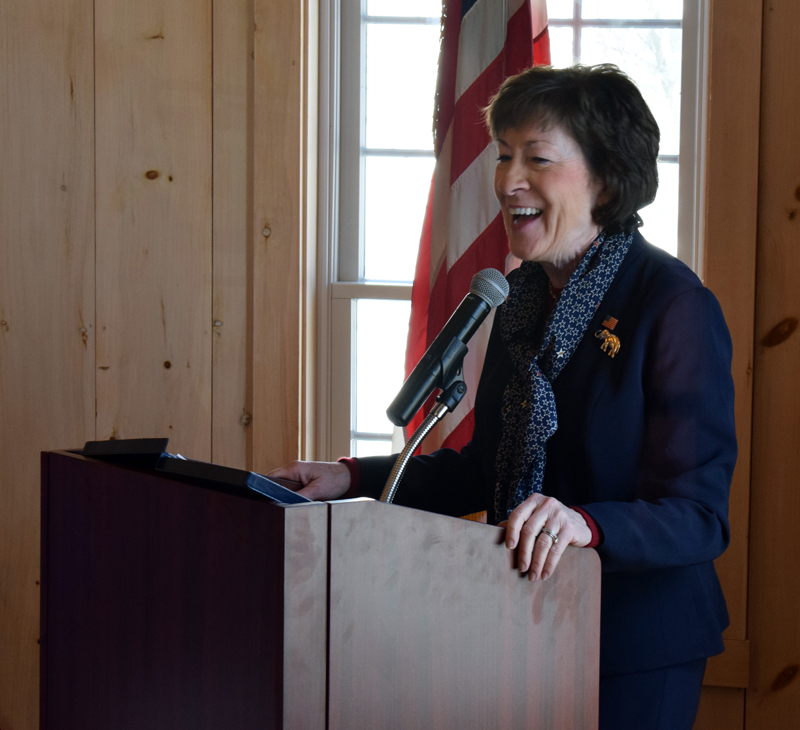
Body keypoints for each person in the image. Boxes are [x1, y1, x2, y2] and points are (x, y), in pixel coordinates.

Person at [270, 64, 736, 729]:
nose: (507, 179)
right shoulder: (516, 301)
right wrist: (346, 477)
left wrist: (587, 523)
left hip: (634, 644)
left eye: (537, 158)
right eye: (502, 155)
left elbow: (698, 516)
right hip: (516, 622)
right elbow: (481, 470)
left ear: (605, 177)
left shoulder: (672, 304)